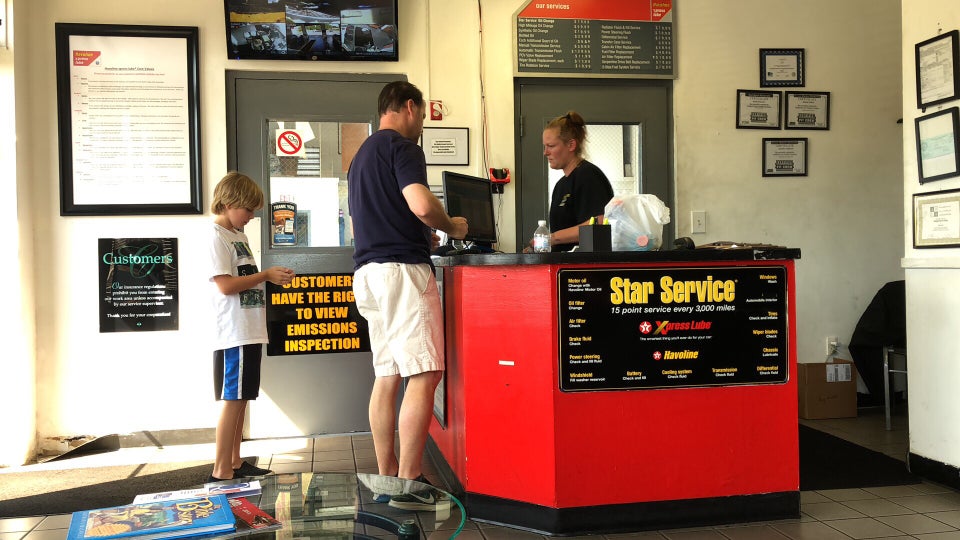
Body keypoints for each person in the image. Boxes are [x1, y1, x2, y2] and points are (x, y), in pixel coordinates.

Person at [347, 81, 468, 507]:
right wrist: (450, 226)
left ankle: (387, 478)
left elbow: (368, 221)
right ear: (410, 107)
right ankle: (410, 482)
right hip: (402, 274)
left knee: (387, 375)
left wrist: (417, 235)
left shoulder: (361, 157)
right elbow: (420, 203)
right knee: (424, 373)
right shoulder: (402, 147)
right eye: (424, 117)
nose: (422, 126)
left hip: (369, 273)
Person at [208, 171, 295, 482]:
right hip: (234, 331)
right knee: (233, 399)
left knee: (242, 397)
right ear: (229, 203)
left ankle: (234, 461)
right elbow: (225, 285)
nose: (251, 216)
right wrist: (266, 275)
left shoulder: (237, 236)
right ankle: (221, 469)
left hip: (248, 328)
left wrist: (270, 278)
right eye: (248, 209)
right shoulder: (216, 237)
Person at [528, 110, 614, 252]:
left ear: (571, 145)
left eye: (551, 146)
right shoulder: (561, 185)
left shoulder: (588, 175)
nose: (545, 152)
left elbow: (600, 222)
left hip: (585, 263)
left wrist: (552, 238)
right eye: (545, 146)